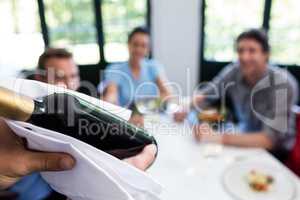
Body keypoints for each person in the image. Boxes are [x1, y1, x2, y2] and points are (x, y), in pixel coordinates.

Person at [3, 48, 157, 200]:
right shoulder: (18, 124)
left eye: (73, 76)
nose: (69, 84)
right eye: (58, 77)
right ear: (39, 78)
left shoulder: (74, 108)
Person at [174, 29, 299, 160]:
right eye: (240, 51)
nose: (244, 57)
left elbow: (270, 140)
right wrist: (186, 107)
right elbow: (208, 93)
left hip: (275, 154)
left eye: (252, 50)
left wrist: (216, 137)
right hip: (243, 136)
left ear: (266, 55)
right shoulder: (235, 70)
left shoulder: (283, 83)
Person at [102, 26, 171, 108]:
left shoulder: (154, 66)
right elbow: (111, 94)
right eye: (135, 44)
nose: (139, 49)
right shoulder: (115, 69)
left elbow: (168, 94)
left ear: (148, 49)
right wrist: (108, 104)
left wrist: (140, 108)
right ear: (128, 45)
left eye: (143, 46)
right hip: (127, 117)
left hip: (152, 116)